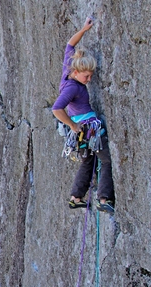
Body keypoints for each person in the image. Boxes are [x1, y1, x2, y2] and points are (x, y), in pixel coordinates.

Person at [52, 17, 115, 214]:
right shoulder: (72, 88)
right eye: (86, 76)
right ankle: (104, 198)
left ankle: (76, 197)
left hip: (81, 132)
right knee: (105, 160)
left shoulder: (67, 71)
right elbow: (56, 109)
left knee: (88, 161)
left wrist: (84, 29)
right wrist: (72, 125)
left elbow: (70, 44)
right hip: (88, 129)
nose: (89, 79)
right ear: (77, 71)